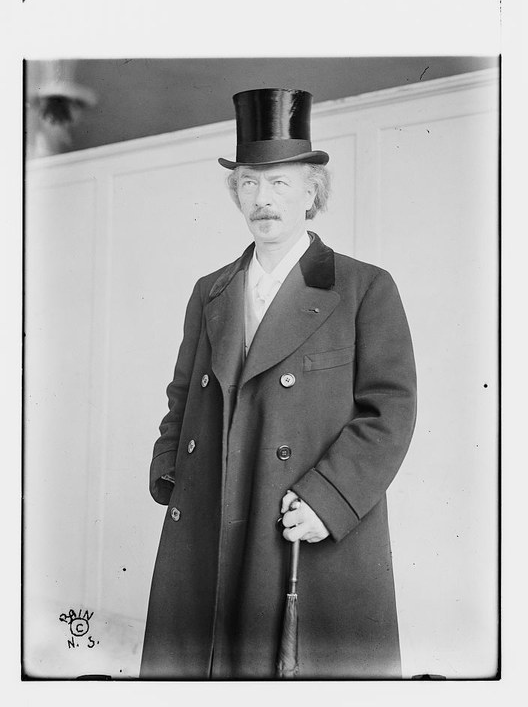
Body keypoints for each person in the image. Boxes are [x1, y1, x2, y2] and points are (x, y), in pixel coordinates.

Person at [140, 88, 417, 680]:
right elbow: (183, 394)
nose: (262, 200)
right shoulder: (209, 291)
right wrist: (172, 466)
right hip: (214, 517)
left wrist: (329, 499)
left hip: (299, 525)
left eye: (281, 184)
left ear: (313, 191)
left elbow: (390, 410)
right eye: (248, 183)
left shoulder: (364, 288)